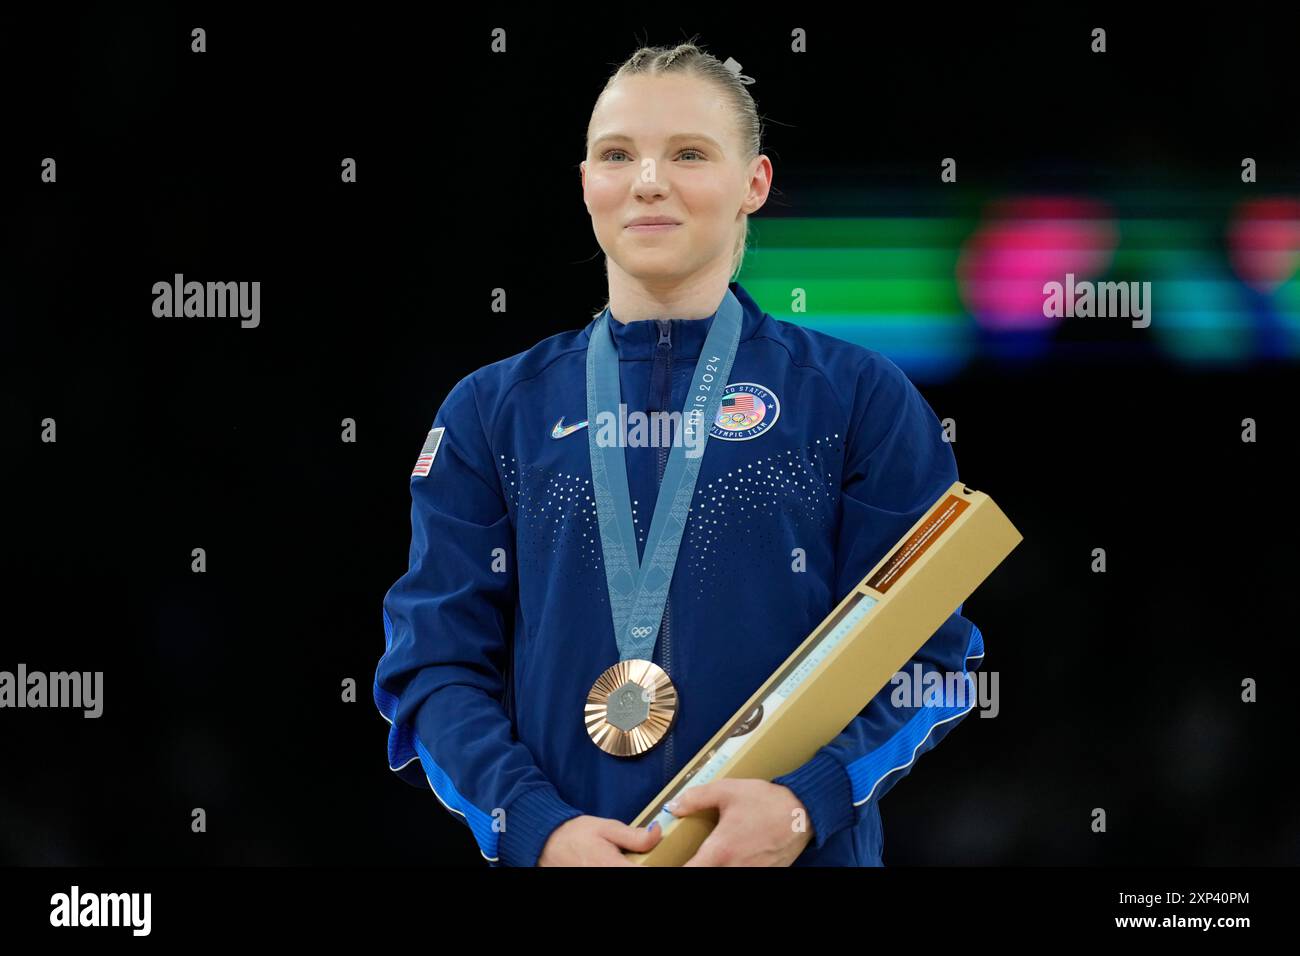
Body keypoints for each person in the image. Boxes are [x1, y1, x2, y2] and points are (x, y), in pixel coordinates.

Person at [374, 40, 985, 867]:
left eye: (689, 154)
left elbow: (931, 658)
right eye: (617, 154)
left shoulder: (856, 398)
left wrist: (809, 803)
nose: (648, 180)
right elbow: (434, 666)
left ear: (754, 185)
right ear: (586, 182)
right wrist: (534, 824)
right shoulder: (492, 411)